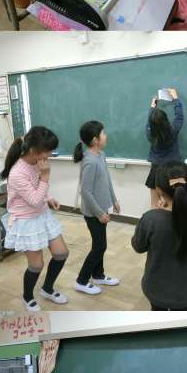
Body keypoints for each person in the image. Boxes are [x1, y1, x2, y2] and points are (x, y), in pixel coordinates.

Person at [0, 126, 69, 311]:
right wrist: (46, 176)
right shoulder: (17, 173)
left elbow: (37, 189)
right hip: (26, 221)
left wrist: (49, 197)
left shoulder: (36, 161)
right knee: (36, 265)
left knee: (61, 253)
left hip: (41, 214)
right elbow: (34, 200)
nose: (50, 154)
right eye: (48, 150)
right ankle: (27, 297)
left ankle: (47, 289)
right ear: (33, 150)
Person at [131, 162, 187, 311]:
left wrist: (157, 213)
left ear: (158, 190)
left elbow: (138, 247)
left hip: (155, 290)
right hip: (186, 292)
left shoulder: (151, 219)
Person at [73, 120, 120, 296]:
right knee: (99, 246)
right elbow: (85, 192)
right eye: (103, 133)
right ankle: (81, 281)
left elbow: (107, 179)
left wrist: (114, 200)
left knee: (100, 244)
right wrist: (100, 213)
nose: (105, 136)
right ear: (95, 139)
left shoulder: (101, 155)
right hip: (93, 213)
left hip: (101, 208)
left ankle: (98, 275)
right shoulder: (90, 161)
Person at [145, 88, 183, 208]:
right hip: (173, 170)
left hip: (156, 169)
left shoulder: (150, 134)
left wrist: (152, 107)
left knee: (154, 204)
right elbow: (179, 117)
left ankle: (155, 220)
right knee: (172, 204)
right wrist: (175, 98)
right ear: (166, 120)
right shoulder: (173, 130)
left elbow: (150, 121)